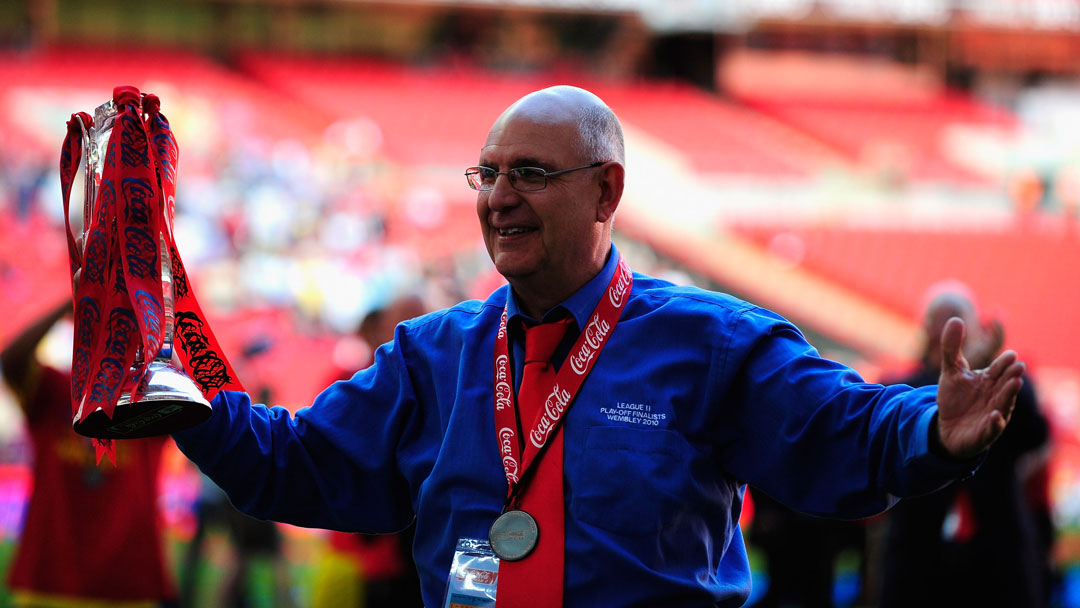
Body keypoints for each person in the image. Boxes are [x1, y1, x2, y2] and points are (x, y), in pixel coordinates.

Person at [172, 85, 1027, 607]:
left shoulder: (709, 343)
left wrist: (930, 431)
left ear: (606, 189)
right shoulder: (430, 358)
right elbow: (292, 462)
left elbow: (838, 429)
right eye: (489, 174)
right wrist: (183, 390)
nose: (499, 199)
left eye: (532, 174)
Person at [878, 287, 1050, 608]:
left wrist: (984, 368)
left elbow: (1036, 434)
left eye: (956, 322)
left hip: (997, 552)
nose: (946, 331)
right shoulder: (901, 387)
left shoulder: (1002, 382)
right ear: (925, 330)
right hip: (920, 553)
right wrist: (959, 377)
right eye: (939, 322)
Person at [0, 301, 176, 608]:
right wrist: (74, 301)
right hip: (50, 580)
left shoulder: (149, 398)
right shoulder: (56, 389)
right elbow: (12, 360)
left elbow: (190, 385)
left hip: (126, 585)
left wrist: (148, 316)